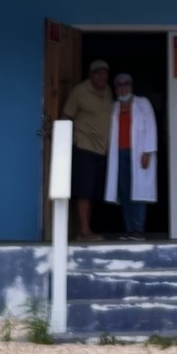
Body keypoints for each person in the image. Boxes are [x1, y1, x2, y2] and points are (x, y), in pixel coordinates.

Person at [62, 58, 113, 242]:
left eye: (105, 73)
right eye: (98, 73)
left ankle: (86, 230)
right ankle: (84, 231)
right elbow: (66, 116)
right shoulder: (80, 92)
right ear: (90, 75)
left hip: (102, 150)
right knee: (84, 191)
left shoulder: (108, 91)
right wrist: (66, 143)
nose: (101, 76)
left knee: (92, 192)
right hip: (84, 147)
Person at [104, 72, 157, 241]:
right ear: (115, 88)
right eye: (119, 85)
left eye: (126, 83)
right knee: (124, 192)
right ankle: (129, 229)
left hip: (138, 153)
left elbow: (151, 127)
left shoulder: (143, 103)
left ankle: (138, 230)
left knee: (139, 191)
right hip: (118, 154)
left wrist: (148, 152)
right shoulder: (113, 107)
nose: (123, 87)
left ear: (132, 86)